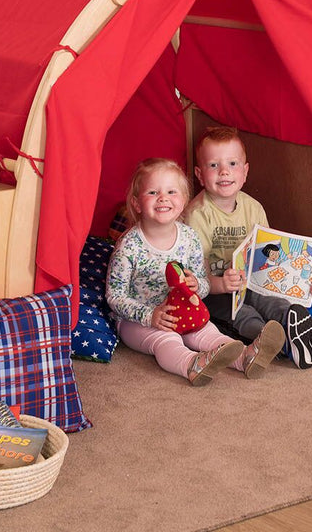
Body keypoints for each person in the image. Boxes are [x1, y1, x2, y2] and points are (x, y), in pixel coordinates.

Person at [183, 126, 312, 370]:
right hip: (216, 295)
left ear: (245, 172)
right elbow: (193, 279)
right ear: (200, 175)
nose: (224, 171)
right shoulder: (197, 216)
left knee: (279, 306)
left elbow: (270, 257)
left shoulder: (253, 208)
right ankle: (284, 344)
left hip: (253, 283)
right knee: (243, 316)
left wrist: (303, 280)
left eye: (232, 164)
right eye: (214, 165)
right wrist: (221, 284)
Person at [106, 157, 285, 386]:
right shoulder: (129, 246)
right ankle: (193, 364)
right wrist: (150, 316)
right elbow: (115, 296)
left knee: (209, 333)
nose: (163, 198)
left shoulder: (189, 238)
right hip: (139, 321)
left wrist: (196, 285)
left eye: (172, 192)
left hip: (186, 311)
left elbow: (204, 282)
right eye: (152, 192)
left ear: (183, 201)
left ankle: (245, 358)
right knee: (167, 339)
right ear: (137, 203)